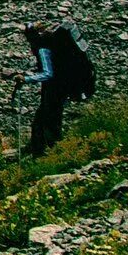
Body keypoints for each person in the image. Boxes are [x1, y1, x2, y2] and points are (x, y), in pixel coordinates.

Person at [20, 21, 95, 155]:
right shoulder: (52, 41)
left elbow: (48, 73)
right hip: (63, 85)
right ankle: (39, 147)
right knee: (46, 115)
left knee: (49, 117)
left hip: (54, 88)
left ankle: (52, 150)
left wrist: (26, 79)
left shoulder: (42, 47)